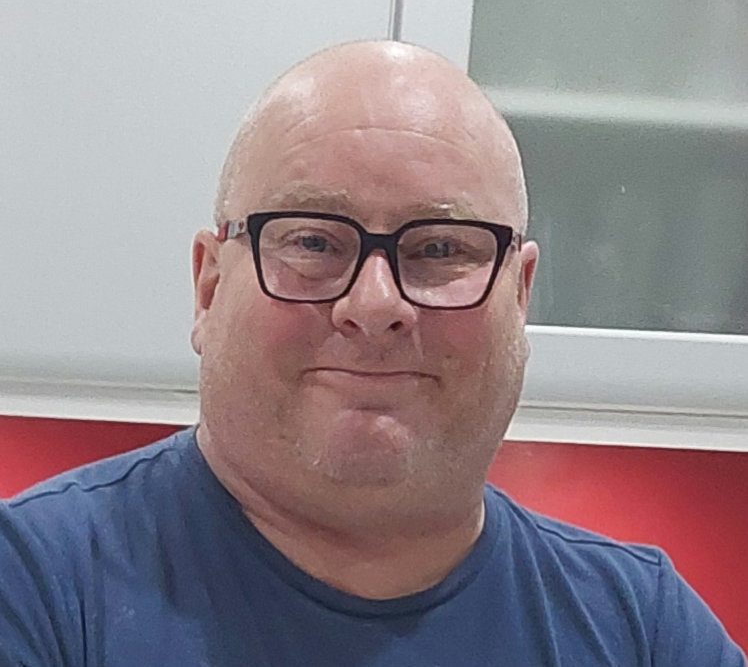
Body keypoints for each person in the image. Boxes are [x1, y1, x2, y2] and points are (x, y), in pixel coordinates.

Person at [0, 41, 744, 667]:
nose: (376, 303)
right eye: (313, 241)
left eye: (441, 249)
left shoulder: (644, 630)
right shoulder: (35, 588)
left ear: (519, 298)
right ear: (208, 288)